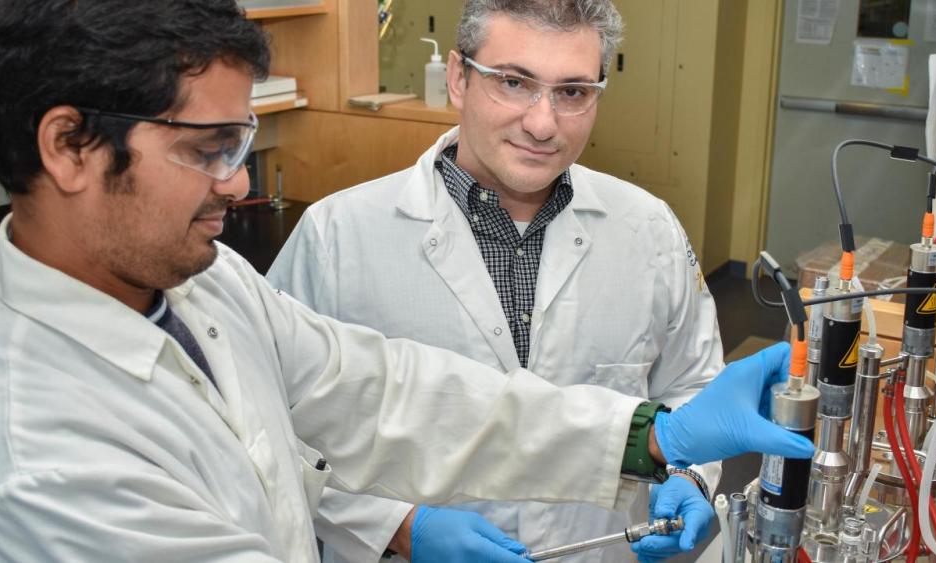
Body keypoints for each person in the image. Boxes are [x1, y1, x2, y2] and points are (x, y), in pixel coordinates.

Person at [0, 1, 813, 562]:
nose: (237, 185)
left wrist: (652, 437)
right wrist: (399, 527)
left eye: (240, 143)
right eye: (207, 148)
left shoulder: (200, 284)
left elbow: (385, 393)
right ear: (68, 146)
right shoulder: (41, 463)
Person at [268, 1, 729, 562]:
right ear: (459, 78)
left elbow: (694, 382)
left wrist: (688, 474)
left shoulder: (648, 228)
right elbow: (268, 428)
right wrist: (395, 526)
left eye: (573, 91)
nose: (542, 123)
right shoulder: (336, 236)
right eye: (514, 82)